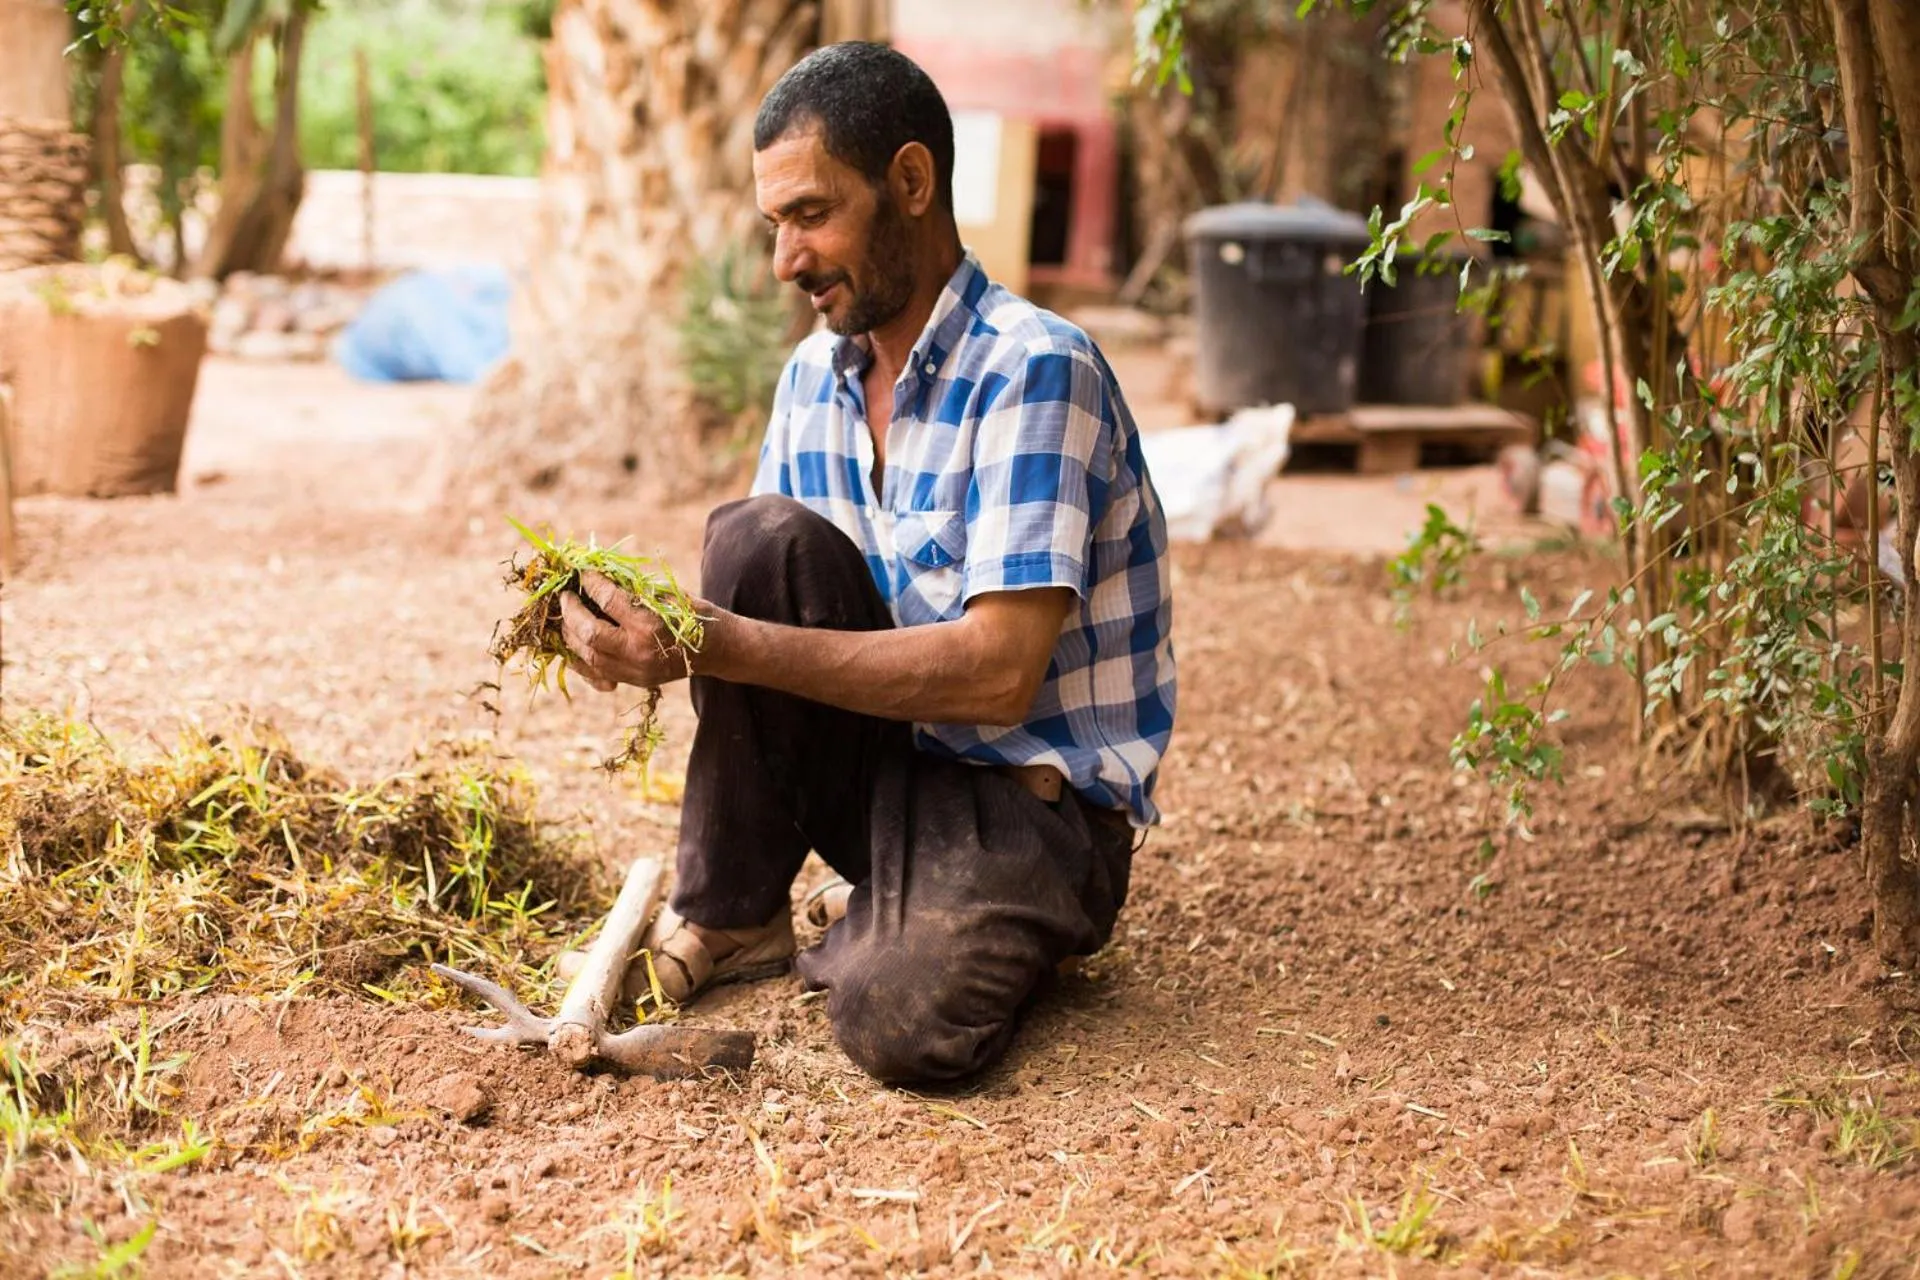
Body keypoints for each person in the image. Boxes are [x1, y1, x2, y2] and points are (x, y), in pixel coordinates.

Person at [554, 42, 1176, 1084]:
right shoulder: (813, 375)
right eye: (774, 226)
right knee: (758, 537)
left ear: (912, 182)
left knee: (901, 1021)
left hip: (1027, 812)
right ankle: (735, 910)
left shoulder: (1037, 370)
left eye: (811, 214)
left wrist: (722, 641)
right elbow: (762, 593)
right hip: (886, 774)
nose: (785, 260)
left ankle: (905, 918)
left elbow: (997, 671)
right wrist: (633, 622)